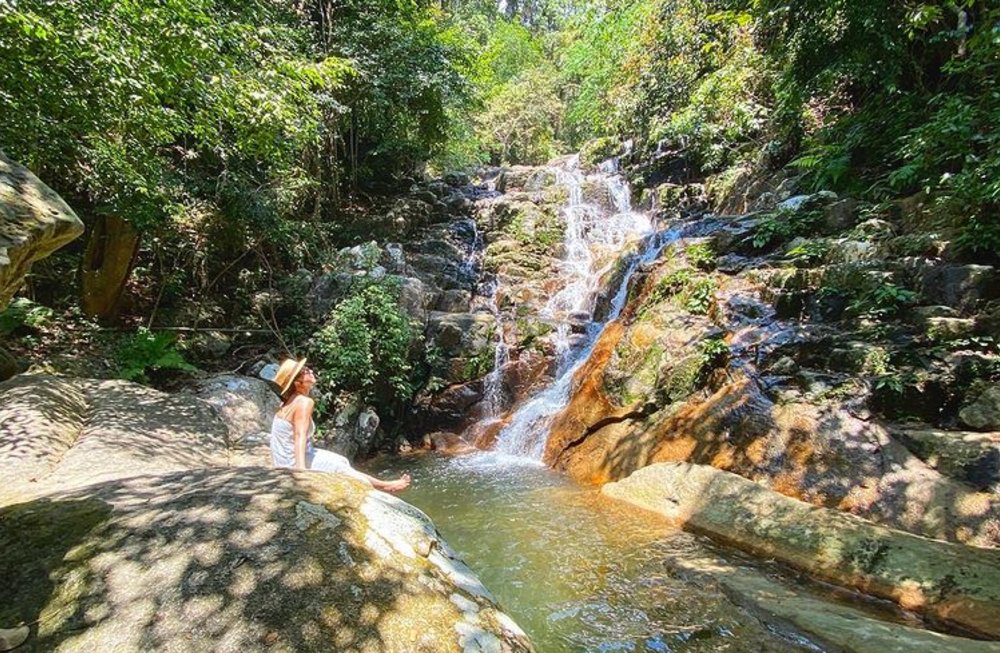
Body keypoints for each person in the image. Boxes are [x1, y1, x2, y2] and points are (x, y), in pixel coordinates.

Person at [269, 358, 411, 493]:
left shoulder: (290, 402)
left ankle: (383, 484)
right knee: (339, 467)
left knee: (341, 460)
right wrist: (300, 471)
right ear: (297, 382)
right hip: (292, 462)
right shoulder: (304, 402)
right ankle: (384, 486)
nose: (310, 371)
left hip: (283, 459)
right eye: (305, 371)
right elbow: (299, 435)